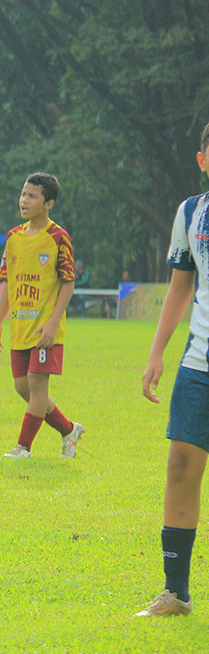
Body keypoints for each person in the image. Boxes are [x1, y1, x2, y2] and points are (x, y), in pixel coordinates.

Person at [136, 120, 209, 617]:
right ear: (202, 159)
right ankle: (174, 593)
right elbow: (181, 285)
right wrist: (157, 352)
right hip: (199, 361)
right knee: (181, 466)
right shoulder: (192, 212)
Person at [0, 173, 84, 459]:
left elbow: (68, 281)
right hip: (20, 326)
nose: (24, 200)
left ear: (48, 203)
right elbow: (7, 280)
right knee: (23, 388)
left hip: (45, 328)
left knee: (37, 384)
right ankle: (69, 429)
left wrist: (54, 321)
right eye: (23, 194)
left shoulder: (58, 237)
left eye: (32, 196)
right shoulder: (13, 237)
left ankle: (23, 447)